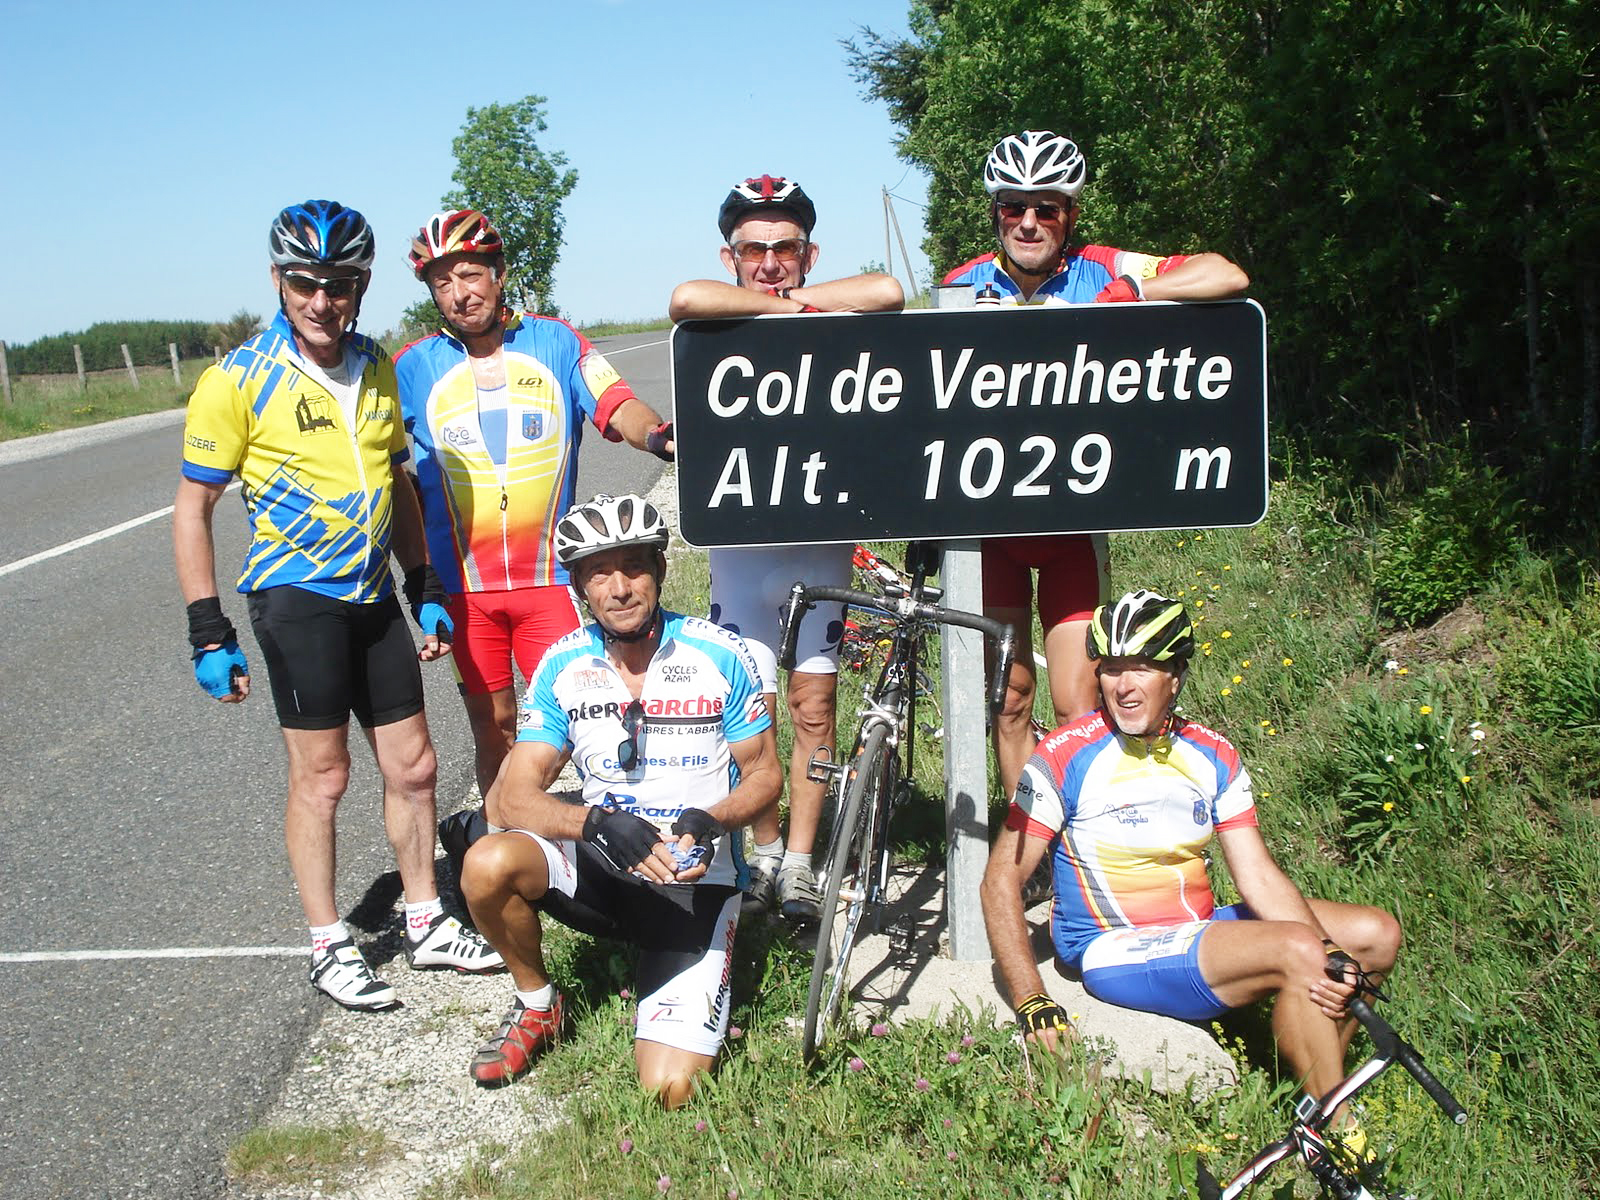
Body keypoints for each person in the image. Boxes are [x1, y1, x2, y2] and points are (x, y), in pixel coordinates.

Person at [174, 200, 502, 1012]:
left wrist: (422, 585)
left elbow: (396, 479)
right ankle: (328, 944)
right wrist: (207, 628)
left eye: (341, 285)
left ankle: (424, 919)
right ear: (278, 281)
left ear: (361, 286)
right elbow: (194, 507)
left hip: (372, 593)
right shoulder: (238, 378)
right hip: (296, 598)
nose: (322, 302)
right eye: (305, 284)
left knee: (415, 767)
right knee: (323, 777)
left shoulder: (374, 364)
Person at [980, 590, 1401, 1152]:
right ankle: (1337, 1131)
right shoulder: (1064, 755)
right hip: (1112, 947)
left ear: (1176, 676)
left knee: (1372, 936)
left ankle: (1312, 1076)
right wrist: (1032, 1000)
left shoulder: (1212, 752)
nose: (1123, 686)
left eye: (1143, 668)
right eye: (1111, 669)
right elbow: (999, 881)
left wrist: (1328, 947)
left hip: (1194, 931)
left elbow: (1257, 874)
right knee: (1302, 949)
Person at [943, 131, 1251, 802]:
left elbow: (1226, 275)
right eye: (1013, 206)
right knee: (1008, 699)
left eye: (1047, 208)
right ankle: (1026, 839)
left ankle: (1081, 837)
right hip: (990, 527)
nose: (1029, 222)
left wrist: (1133, 292)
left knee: (1076, 704)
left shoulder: (1100, 266)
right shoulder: (961, 284)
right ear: (995, 212)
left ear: (1070, 216)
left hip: (1071, 528)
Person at [459, 493, 781, 1106]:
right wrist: (596, 823)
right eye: (599, 573)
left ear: (659, 570)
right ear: (580, 586)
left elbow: (765, 775)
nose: (620, 588)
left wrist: (711, 819)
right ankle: (538, 1005)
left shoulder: (719, 652)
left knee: (670, 1090)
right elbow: (511, 798)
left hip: (691, 881)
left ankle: (682, 970)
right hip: (603, 866)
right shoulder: (563, 664)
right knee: (487, 861)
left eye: (634, 567)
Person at [668, 176, 903, 922]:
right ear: (730, 257)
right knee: (752, 714)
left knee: (814, 710)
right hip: (744, 558)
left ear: (809, 253)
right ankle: (762, 854)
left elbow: (889, 291)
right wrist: (782, 308)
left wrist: (796, 303)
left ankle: (800, 861)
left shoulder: (825, 308)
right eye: (753, 250)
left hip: (820, 551)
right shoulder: (719, 314)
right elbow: (684, 298)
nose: (769, 263)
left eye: (785, 248)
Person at [395, 209, 675, 812]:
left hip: (547, 581)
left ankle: (600, 836)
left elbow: (616, 403)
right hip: (465, 589)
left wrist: (656, 435)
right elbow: (386, 469)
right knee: (492, 725)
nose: (459, 294)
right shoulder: (412, 365)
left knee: (588, 718)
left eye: (470, 275)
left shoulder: (556, 341)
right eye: (442, 283)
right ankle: (505, 842)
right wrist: (420, 581)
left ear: (498, 275)